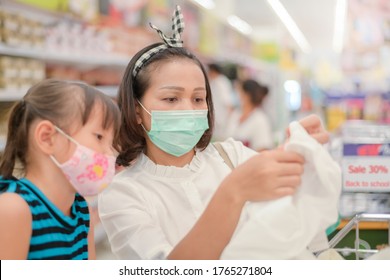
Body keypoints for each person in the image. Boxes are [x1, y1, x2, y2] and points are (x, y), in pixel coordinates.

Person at [98, 6, 331, 260]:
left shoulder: (232, 156)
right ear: (136, 111)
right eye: (171, 98)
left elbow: (290, 199)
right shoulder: (124, 195)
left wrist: (299, 152)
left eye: (198, 98)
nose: (188, 109)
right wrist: (232, 193)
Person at [0, 79, 121, 260]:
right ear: (48, 138)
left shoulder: (81, 209)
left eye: (112, 142)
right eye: (99, 137)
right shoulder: (14, 209)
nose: (111, 153)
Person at [225, 79, 273, 151]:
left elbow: (263, 149)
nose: (237, 95)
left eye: (239, 91)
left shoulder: (260, 119)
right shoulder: (235, 114)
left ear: (247, 95)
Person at [207, 63, 235, 141]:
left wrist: (228, 118)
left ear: (214, 71)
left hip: (222, 116)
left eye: (210, 71)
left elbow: (228, 101)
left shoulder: (222, 82)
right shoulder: (214, 81)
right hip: (216, 115)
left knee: (220, 138)